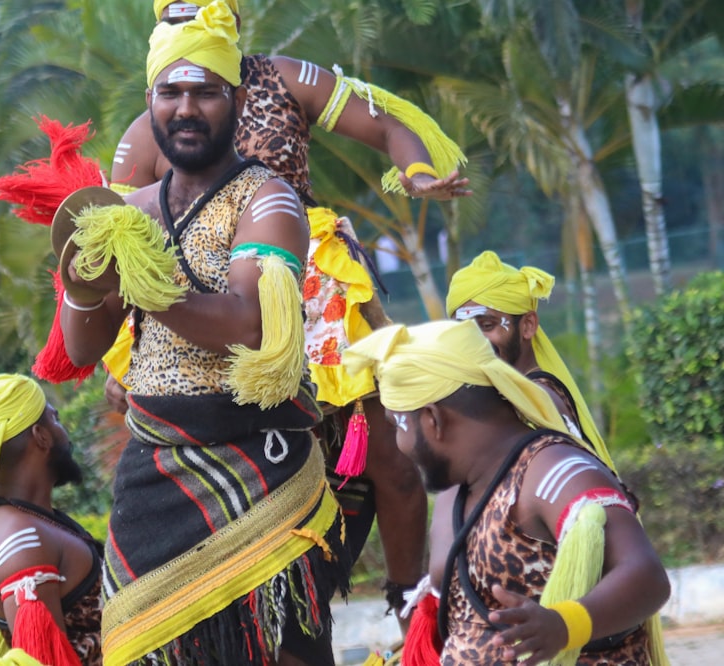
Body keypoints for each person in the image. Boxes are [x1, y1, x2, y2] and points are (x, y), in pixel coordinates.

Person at [102, 0, 471, 621]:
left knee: (393, 461)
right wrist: (119, 354)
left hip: (314, 285)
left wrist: (415, 170)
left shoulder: (284, 78)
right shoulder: (149, 129)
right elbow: (116, 250)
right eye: (175, 23)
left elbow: (383, 124)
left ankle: (414, 607)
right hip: (208, 310)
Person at [59, 4, 350, 664]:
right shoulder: (128, 212)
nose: (186, 108)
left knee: (283, 648)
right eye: (172, 92)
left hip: (259, 464)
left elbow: (250, 322)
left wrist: (146, 282)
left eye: (205, 92)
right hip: (154, 469)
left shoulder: (269, 202)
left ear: (238, 100)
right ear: (150, 100)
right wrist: (79, 281)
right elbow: (82, 349)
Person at [344, 320, 670, 666]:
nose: (399, 446)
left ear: (432, 419)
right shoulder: (454, 495)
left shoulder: (553, 471)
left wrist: (563, 625)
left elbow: (646, 576)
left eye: (398, 426)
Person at [0, 371, 102, 666]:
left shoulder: (27, 521)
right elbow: (44, 660)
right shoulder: (20, 539)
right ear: (40, 436)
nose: (65, 433)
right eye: (55, 420)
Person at [445, 250, 615, 470]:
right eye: (463, 331)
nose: (475, 342)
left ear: (527, 325)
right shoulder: (503, 396)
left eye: (487, 326)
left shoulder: (536, 400)